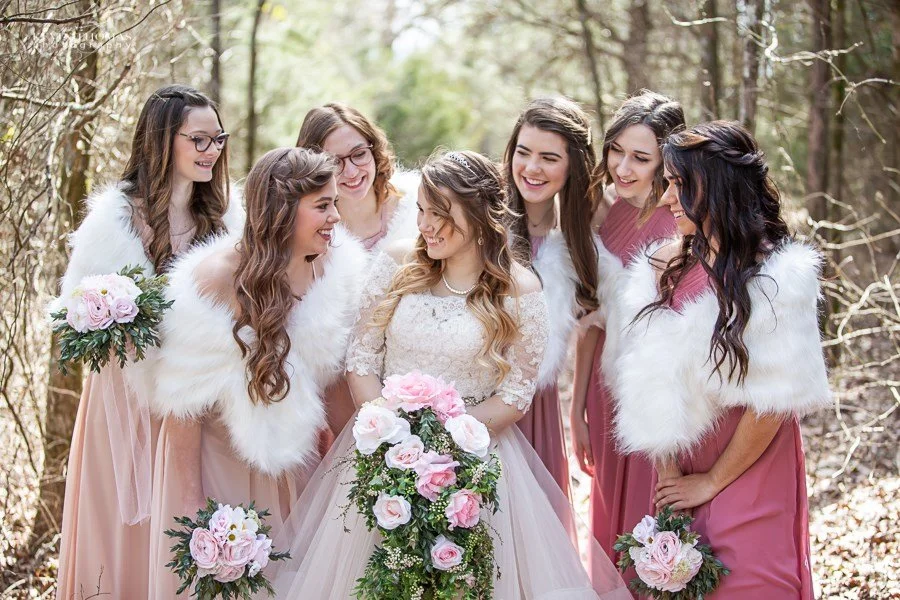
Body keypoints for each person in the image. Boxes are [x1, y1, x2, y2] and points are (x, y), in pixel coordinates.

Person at [268, 150, 629, 599]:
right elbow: (362, 360)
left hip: (475, 463)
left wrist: (444, 445)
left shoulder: (520, 289)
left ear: (480, 214)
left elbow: (515, 395)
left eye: (441, 214)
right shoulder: (398, 262)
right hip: (386, 457)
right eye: (422, 210)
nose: (426, 225)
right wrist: (396, 435)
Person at [601, 121, 830, 598]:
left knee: (749, 582)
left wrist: (711, 482)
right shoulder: (662, 265)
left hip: (750, 458)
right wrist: (669, 476)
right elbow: (646, 376)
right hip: (677, 461)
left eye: (680, 185)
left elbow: (773, 401)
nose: (665, 198)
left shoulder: (776, 276)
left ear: (718, 188)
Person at [147, 147, 367, 597]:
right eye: (323, 206)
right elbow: (182, 407)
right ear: (283, 209)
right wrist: (194, 510)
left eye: (336, 205)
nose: (335, 218)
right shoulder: (215, 281)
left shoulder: (335, 267)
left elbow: (338, 379)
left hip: (298, 460)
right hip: (223, 461)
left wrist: (351, 466)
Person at [55, 84, 242, 599]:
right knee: (125, 519)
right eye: (199, 140)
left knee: (187, 509)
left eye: (218, 139)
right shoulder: (112, 221)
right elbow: (74, 315)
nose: (212, 152)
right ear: (163, 141)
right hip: (124, 396)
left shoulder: (226, 218)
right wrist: (115, 317)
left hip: (197, 397)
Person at [568, 91, 684, 571]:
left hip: (656, 395)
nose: (623, 166)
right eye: (617, 150)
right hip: (603, 385)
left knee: (649, 521)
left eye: (641, 157)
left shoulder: (682, 222)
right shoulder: (604, 211)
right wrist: (575, 410)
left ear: (667, 160)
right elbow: (592, 321)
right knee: (608, 517)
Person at [296, 103, 420, 439]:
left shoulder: (420, 208)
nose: (350, 171)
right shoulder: (311, 232)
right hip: (341, 390)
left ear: (375, 151)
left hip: (419, 377)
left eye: (358, 155)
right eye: (335, 162)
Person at [503, 96, 599, 495]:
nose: (532, 168)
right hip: (477, 398)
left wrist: (577, 412)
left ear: (572, 165)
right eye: (523, 153)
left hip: (538, 406)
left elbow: (591, 327)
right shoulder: (483, 221)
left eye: (549, 157)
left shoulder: (581, 239)